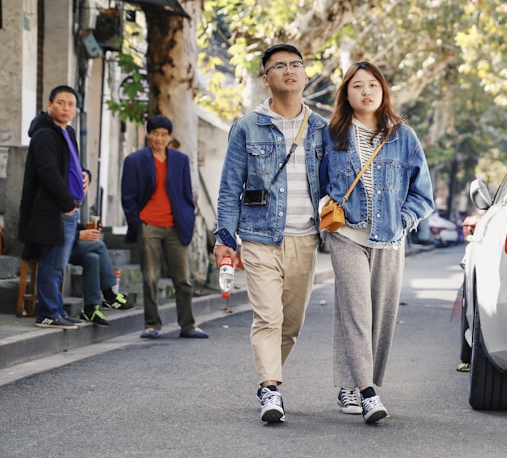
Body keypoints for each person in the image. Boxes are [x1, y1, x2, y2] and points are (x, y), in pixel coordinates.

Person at [214, 43, 330, 424]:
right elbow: (230, 188)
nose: (289, 71)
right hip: (260, 237)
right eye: (279, 66)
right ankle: (270, 389)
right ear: (267, 79)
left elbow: (336, 182)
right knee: (268, 318)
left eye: (296, 65)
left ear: (305, 74)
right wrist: (225, 238)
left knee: (291, 324)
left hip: (306, 240)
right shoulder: (247, 127)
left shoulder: (321, 129)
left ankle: (270, 378)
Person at [321, 62, 434, 424]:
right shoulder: (332, 134)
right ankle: (368, 391)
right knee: (356, 310)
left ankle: (352, 383)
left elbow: (423, 194)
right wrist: (322, 204)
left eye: (373, 85)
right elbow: (317, 181)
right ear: (346, 93)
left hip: (389, 238)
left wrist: (402, 220)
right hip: (346, 234)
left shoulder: (404, 137)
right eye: (357, 86)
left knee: (381, 315)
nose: (366, 91)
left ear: (383, 91)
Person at [121, 115, 207, 340]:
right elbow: (128, 197)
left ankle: (187, 325)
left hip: (175, 226)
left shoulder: (180, 160)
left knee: (183, 279)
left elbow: (187, 195)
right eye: (155, 133)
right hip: (149, 225)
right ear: (148, 134)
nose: (159, 138)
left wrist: (187, 219)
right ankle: (152, 324)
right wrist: (137, 221)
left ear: (170, 137)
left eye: (164, 134)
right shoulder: (134, 160)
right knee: (150, 278)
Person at [18, 85, 87, 329]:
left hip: (67, 208)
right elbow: (48, 172)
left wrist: (84, 173)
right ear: (49, 105)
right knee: (51, 262)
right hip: (53, 209)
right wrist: (67, 203)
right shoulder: (45, 134)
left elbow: (71, 165)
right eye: (61, 102)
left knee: (59, 264)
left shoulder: (66, 132)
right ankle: (47, 312)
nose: (66, 107)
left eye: (70, 104)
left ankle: (56, 309)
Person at [72, 169, 134, 327]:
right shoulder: (57, 200)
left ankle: (90, 308)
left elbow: (72, 227)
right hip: (54, 246)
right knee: (99, 246)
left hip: (68, 245)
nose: (84, 191)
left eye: (85, 187)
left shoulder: (73, 203)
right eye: (82, 187)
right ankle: (110, 295)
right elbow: (52, 230)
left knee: (92, 258)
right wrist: (80, 235)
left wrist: (86, 230)